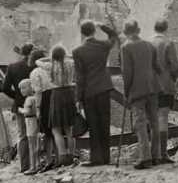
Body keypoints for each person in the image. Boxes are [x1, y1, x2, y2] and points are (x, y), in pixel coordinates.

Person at [72, 20, 119, 166]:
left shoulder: (77, 51)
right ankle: (106, 158)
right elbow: (114, 35)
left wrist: (78, 98)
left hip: (89, 91)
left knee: (93, 125)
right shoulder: (103, 46)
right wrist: (102, 26)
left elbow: (80, 77)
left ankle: (96, 158)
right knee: (105, 123)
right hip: (104, 89)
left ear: (82, 33)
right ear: (94, 31)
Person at [121, 19, 162, 169]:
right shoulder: (149, 45)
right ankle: (157, 156)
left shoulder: (126, 47)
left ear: (126, 33)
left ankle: (145, 157)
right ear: (138, 31)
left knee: (140, 123)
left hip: (137, 90)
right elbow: (157, 67)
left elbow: (127, 73)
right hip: (152, 87)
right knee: (154, 121)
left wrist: (126, 92)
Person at [148, 19, 178, 164]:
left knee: (153, 119)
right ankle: (162, 154)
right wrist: (173, 78)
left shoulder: (148, 43)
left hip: (150, 87)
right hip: (165, 85)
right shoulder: (168, 43)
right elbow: (175, 66)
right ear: (166, 29)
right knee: (162, 118)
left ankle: (153, 154)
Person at [1, 43, 34, 172]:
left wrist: (17, 96)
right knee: (37, 133)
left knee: (22, 135)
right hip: (37, 104)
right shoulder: (36, 66)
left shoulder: (12, 67)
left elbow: (4, 88)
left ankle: (25, 166)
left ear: (22, 53)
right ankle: (37, 162)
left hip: (20, 104)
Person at [47, 45, 77, 166]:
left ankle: (63, 156)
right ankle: (72, 155)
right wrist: (66, 56)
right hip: (69, 93)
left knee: (56, 128)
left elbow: (37, 61)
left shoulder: (50, 65)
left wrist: (49, 57)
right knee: (69, 129)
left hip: (57, 94)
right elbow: (74, 58)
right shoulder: (70, 63)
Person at [29, 49, 56, 172]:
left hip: (45, 99)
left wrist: (38, 108)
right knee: (56, 128)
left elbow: (38, 91)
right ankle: (60, 157)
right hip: (56, 96)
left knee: (47, 131)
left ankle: (50, 160)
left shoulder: (35, 72)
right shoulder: (52, 68)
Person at [17, 79, 39, 175]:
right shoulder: (35, 97)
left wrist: (20, 110)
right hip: (34, 121)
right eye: (20, 89)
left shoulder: (29, 99)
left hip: (30, 121)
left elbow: (28, 111)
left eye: (24, 88)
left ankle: (33, 167)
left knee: (31, 145)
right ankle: (37, 165)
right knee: (35, 144)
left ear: (30, 87)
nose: (22, 90)